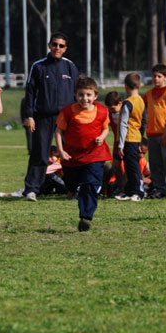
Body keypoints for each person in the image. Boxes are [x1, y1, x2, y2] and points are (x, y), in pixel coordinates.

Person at [23, 31, 79, 202]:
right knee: (39, 153)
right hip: (43, 117)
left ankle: (73, 189)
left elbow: (78, 93)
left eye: (61, 45)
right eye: (54, 44)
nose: (57, 48)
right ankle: (32, 189)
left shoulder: (70, 66)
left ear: (65, 48)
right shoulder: (38, 66)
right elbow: (30, 93)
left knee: (69, 153)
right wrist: (29, 116)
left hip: (66, 117)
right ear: (49, 45)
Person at [55, 76, 111, 231]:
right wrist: (61, 150)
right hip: (71, 157)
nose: (84, 98)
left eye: (88, 95)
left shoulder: (102, 111)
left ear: (95, 96)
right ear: (75, 95)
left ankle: (85, 216)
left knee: (90, 184)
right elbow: (59, 131)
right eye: (81, 95)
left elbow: (106, 128)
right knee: (71, 182)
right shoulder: (67, 112)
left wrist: (102, 137)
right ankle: (72, 189)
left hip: (95, 155)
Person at [143, 64, 166, 199]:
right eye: (154, 76)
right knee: (155, 163)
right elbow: (144, 113)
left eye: (159, 76)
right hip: (152, 134)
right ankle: (160, 189)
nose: (156, 79)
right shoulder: (147, 94)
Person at [115, 72, 147, 202]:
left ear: (126, 86)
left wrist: (120, 144)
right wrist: (140, 137)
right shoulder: (141, 101)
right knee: (129, 165)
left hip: (128, 138)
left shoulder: (127, 103)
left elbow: (123, 123)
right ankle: (129, 191)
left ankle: (139, 192)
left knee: (133, 166)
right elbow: (144, 121)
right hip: (136, 137)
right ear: (139, 86)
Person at [104, 91, 126, 194]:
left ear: (120, 103)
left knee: (128, 166)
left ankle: (127, 186)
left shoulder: (125, 113)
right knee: (116, 165)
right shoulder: (109, 114)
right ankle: (120, 186)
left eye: (113, 108)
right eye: (109, 108)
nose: (111, 110)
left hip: (127, 142)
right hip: (117, 143)